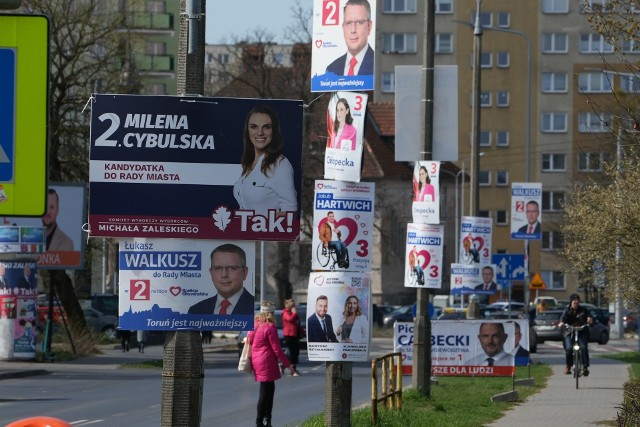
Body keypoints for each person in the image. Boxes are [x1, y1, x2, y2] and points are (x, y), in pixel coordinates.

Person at [233, 104, 297, 216]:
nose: (260, 132)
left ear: (274, 130)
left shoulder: (279, 164)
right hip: (245, 232)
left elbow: (290, 211)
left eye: (267, 127)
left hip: (264, 232)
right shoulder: (248, 164)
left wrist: (262, 225)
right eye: (254, 126)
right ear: (247, 130)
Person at [249, 311, 298, 427]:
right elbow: (277, 350)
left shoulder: (255, 325)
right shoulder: (270, 327)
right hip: (267, 361)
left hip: (257, 360)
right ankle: (262, 421)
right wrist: (289, 366)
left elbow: (250, 340)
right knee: (267, 392)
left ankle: (263, 420)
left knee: (266, 389)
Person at [188, 244, 254, 315]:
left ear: (244, 272)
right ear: (211, 273)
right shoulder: (196, 310)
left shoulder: (257, 309)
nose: (224, 275)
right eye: (218, 268)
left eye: (232, 268)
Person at [326, 0, 374, 76]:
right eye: (348, 23)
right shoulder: (331, 69)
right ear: (343, 28)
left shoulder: (378, 64)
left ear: (369, 26)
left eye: (359, 22)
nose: (353, 30)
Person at [558, 293, 593, 376]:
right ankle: (568, 366)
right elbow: (562, 319)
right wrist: (561, 323)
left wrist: (589, 320)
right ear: (571, 302)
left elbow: (589, 317)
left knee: (584, 347)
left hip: (581, 332)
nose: (576, 301)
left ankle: (585, 367)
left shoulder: (583, 310)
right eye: (574, 300)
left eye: (577, 300)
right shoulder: (567, 310)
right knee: (569, 348)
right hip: (569, 332)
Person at [282, 298, 301, 375]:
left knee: (295, 352)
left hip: (295, 334)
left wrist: (302, 332)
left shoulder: (293, 313)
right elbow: (289, 319)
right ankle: (292, 369)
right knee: (292, 352)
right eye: (293, 306)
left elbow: (297, 323)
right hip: (289, 335)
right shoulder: (285, 312)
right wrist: (294, 313)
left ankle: (284, 365)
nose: (295, 307)